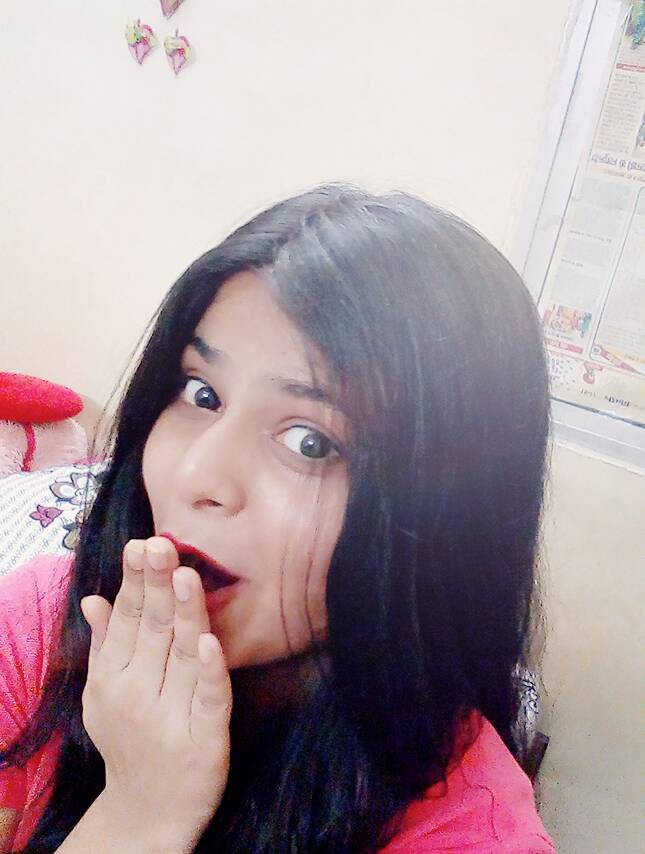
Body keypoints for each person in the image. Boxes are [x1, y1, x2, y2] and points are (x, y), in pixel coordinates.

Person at [0, 185, 556, 853]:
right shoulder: (44, 624)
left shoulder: (468, 835)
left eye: (310, 442)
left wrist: (143, 813)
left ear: (444, 523)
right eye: (201, 393)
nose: (196, 475)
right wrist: (135, 809)